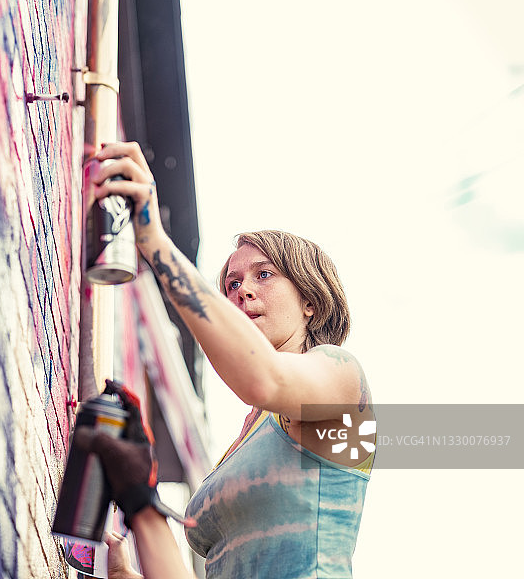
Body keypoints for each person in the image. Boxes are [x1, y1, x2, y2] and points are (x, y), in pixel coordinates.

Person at [78, 142, 375, 579]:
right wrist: (138, 519)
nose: (242, 291)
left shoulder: (341, 378)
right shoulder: (243, 441)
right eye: (232, 283)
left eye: (264, 274)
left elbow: (264, 379)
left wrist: (153, 240)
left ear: (310, 300)